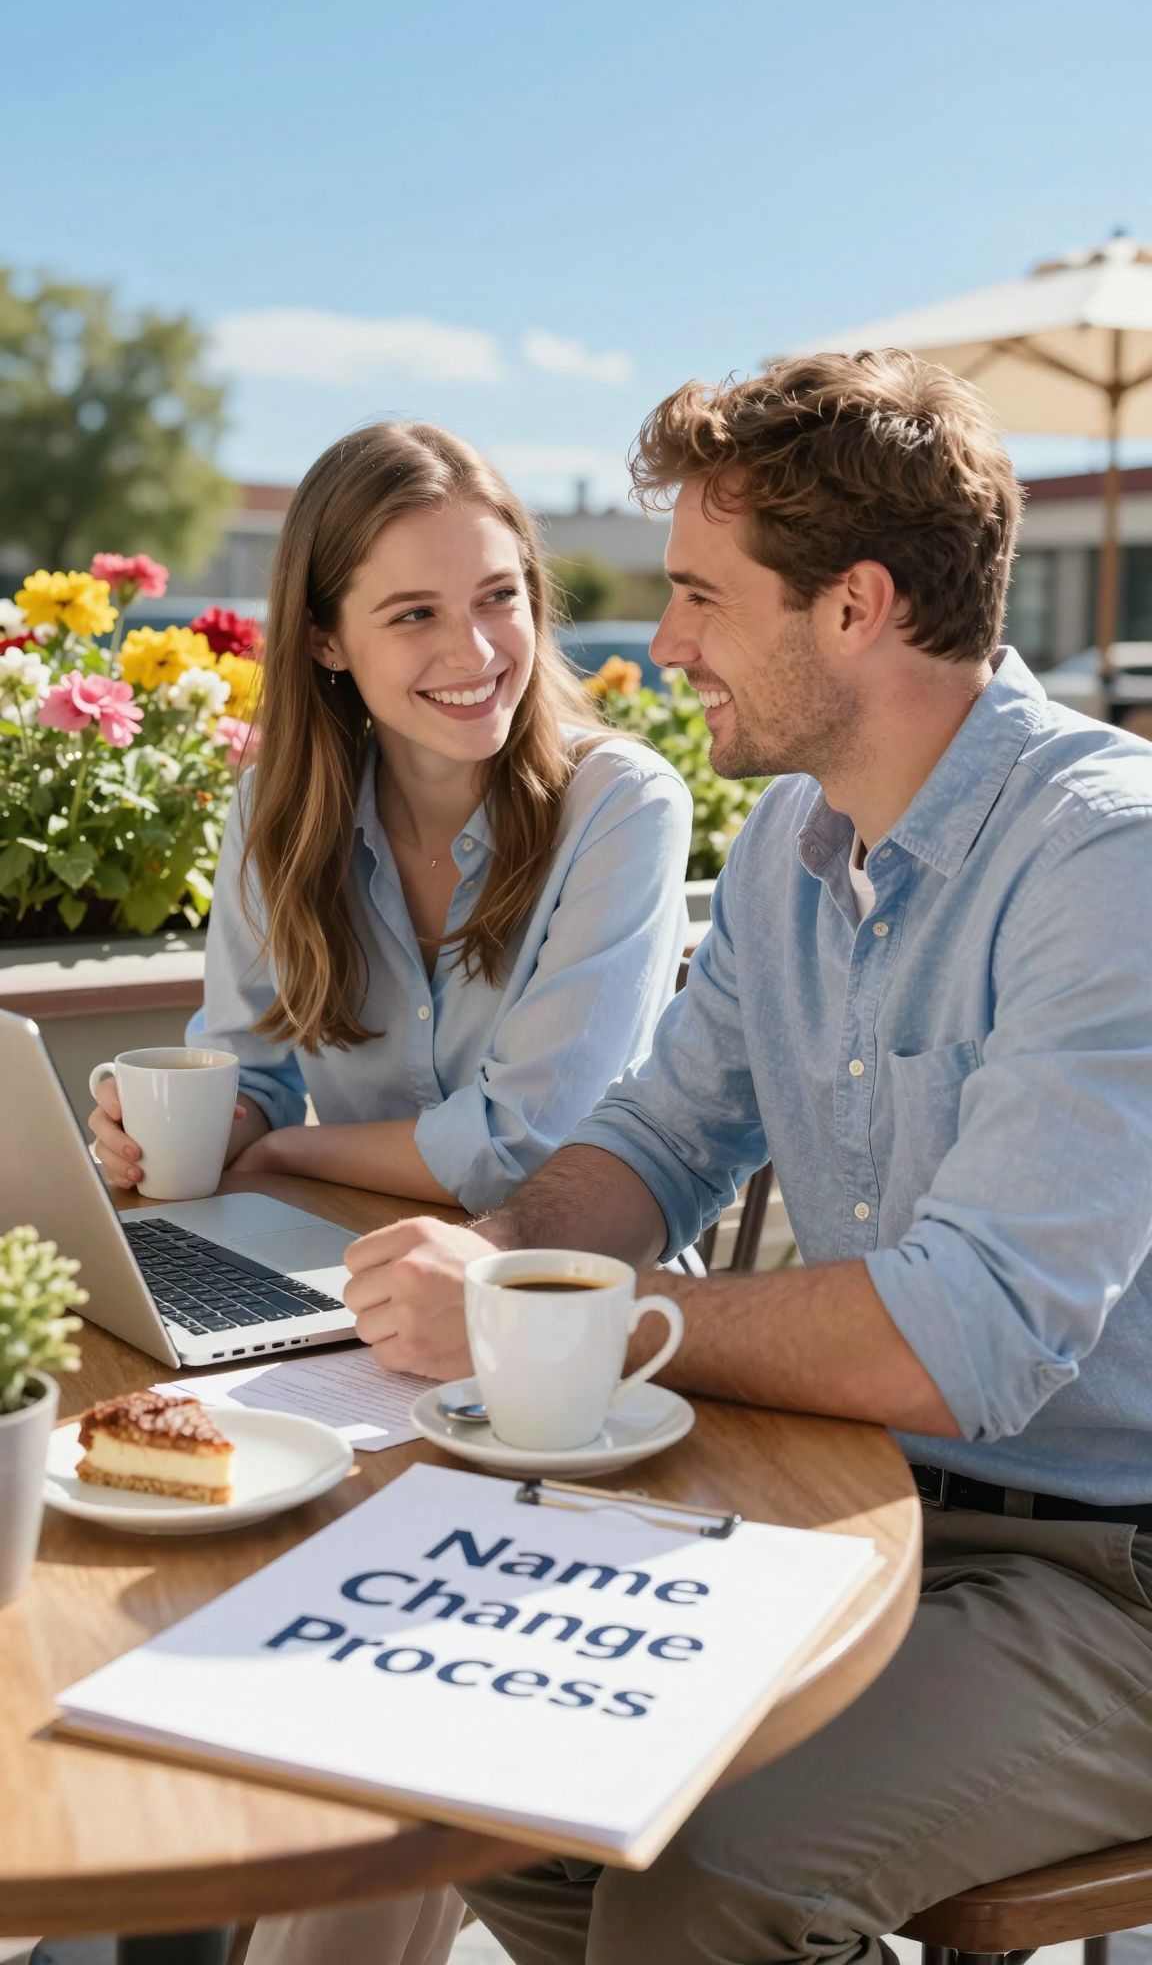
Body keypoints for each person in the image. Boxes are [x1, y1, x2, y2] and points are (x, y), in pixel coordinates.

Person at [338, 353, 1152, 1965]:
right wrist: (509, 1261)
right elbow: (657, 1136)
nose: (668, 647)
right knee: (491, 1779)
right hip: (853, 1505)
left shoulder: (1106, 862)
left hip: (1112, 1572)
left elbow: (964, 1330)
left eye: (702, 598)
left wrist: (560, 1320)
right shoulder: (790, 842)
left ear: (854, 608)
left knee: (712, 1883)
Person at [88, 420, 692, 1965]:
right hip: (326, 1309)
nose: (475, 649)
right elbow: (248, 1076)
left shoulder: (618, 805)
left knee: (380, 1691)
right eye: (414, 614)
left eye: (499, 596)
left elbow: (520, 1138)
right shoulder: (280, 815)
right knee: (136, 1590)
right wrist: (173, 1128)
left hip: (545, 1342)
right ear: (328, 643)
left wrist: (270, 1151)